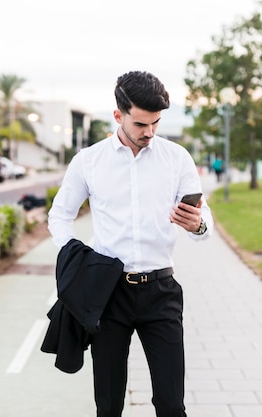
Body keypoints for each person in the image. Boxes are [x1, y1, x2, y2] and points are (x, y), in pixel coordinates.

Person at [47, 70, 214, 417]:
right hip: (108, 294)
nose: (149, 132)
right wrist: (77, 260)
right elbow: (60, 215)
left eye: (155, 123)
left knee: (171, 405)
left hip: (161, 291)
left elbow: (204, 219)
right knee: (108, 405)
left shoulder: (177, 158)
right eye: (140, 124)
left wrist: (198, 225)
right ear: (118, 115)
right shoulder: (89, 161)